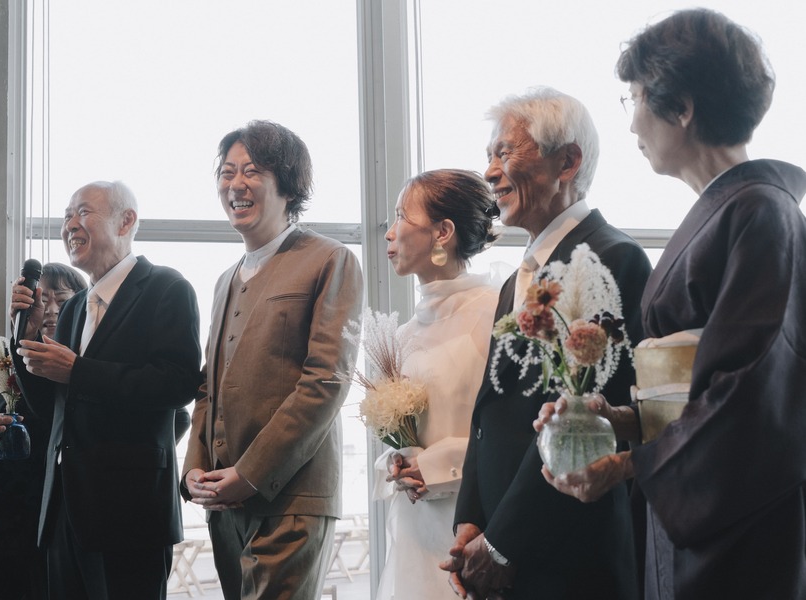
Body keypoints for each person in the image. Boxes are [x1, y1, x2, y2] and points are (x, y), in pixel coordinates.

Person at [536, 9, 806, 600]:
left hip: (737, 519)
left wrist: (631, 465)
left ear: (681, 108)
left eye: (635, 97)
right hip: (696, 491)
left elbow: (756, 393)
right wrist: (619, 422)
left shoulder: (763, 213)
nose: (632, 120)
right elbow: (698, 392)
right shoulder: (738, 210)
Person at [442, 87, 652, 599]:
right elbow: (490, 411)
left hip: (568, 552)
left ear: (567, 162)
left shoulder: (611, 259)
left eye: (504, 153)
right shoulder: (516, 279)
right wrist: (470, 520)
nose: (490, 172)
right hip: (501, 539)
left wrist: (502, 544)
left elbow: (580, 422)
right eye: (489, 156)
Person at [181, 120, 363, 600]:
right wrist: (194, 469)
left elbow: (326, 380)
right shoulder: (224, 279)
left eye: (252, 171)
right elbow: (208, 388)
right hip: (222, 502)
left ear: (288, 185)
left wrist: (250, 474)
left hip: (292, 499)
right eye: (227, 172)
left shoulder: (331, 259)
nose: (235, 184)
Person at [10, 181, 202, 600]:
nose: (69, 225)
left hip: (130, 513)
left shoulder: (167, 288)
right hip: (63, 509)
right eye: (66, 216)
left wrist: (78, 371)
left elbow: (178, 383)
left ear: (126, 221)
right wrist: (26, 338)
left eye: (83, 212)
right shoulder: (75, 308)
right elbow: (54, 407)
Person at [374, 169, 499, 599]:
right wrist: (398, 460)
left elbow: (506, 436)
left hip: (470, 526)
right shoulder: (403, 334)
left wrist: (438, 466)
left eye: (401, 217)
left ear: (443, 232)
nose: (389, 233)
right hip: (415, 530)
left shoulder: (494, 314)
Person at [0, 263, 86, 600]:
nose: (50, 309)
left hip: (55, 520)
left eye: (62, 299)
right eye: (42, 300)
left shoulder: (83, 368)